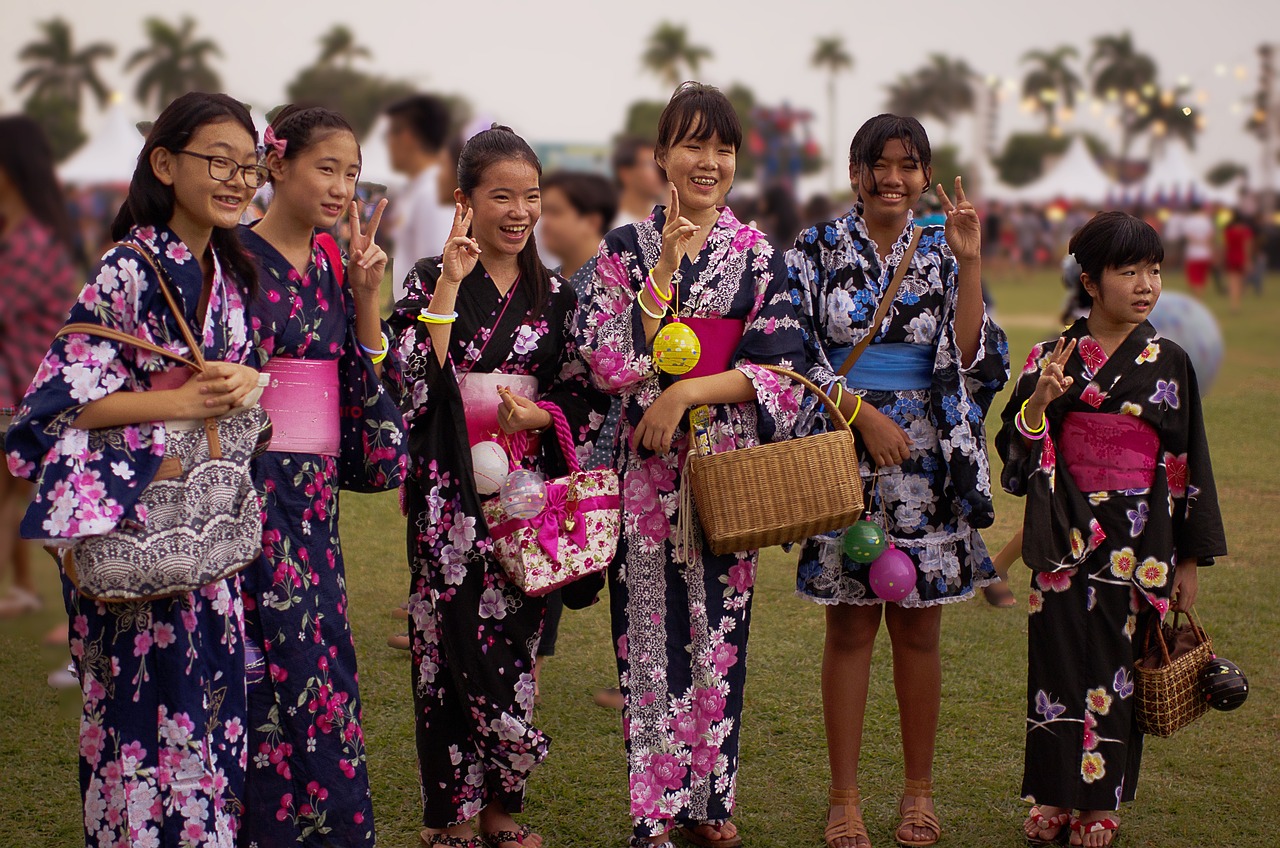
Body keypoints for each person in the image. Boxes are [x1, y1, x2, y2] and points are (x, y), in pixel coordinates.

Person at [4, 91, 266, 847]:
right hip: (138, 525)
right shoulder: (129, 268)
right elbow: (55, 405)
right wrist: (182, 397)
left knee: (210, 721)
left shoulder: (228, 266)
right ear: (163, 162)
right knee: (140, 732)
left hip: (203, 535)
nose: (236, 179)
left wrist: (241, 384)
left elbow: (242, 377)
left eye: (248, 167)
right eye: (218, 160)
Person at [576, 82, 809, 848]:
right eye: (692, 145)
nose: (708, 162)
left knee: (719, 634)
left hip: (724, 472)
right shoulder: (620, 249)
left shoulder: (758, 256)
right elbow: (604, 355)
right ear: (659, 157)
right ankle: (655, 810)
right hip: (644, 474)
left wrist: (686, 396)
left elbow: (779, 367)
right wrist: (662, 278)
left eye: (722, 148)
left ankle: (709, 802)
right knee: (646, 638)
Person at [785, 114, 1009, 848]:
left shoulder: (947, 248)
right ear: (854, 172)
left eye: (908, 165)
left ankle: (919, 794)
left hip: (930, 461)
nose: (892, 177)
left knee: (919, 633)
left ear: (924, 176)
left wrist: (971, 262)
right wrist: (858, 415)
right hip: (840, 455)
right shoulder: (815, 248)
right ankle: (843, 799)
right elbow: (790, 351)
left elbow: (976, 360)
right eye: (878, 164)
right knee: (848, 627)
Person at [387, 125, 608, 848]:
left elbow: (582, 395)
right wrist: (450, 282)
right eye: (501, 195)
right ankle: (447, 815)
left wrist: (539, 413)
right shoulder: (428, 277)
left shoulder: (560, 296)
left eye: (531, 196)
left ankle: (501, 808)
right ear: (465, 201)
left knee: (515, 650)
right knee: (442, 652)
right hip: (448, 492)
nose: (519, 211)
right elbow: (413, 378)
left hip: (525, 498)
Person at [997, 211, 1225, 848]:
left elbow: (1186, 464)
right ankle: (1052, 797)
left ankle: (1101, 802)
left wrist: (1187, 560)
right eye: (1129, 271)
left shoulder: (1170, 361)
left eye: (1154, 270)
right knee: (1056, 663)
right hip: (1065, 530)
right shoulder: (1051, 357)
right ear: (1091, 281)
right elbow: (1016, 450)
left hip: (1140, 538)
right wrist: (1040, 402)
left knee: (1117, 669)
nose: (1147, 283)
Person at [237, 104, 408, 847]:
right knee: (261, 674)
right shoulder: (231, 258)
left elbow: (359, 378)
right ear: (276, 164)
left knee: (322, 669)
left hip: (311, 510)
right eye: (326, 168)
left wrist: (367, 299)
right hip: (248, 492)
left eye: (353, 173)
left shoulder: (337, 263)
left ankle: (333, 829)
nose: (341, 187)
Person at [532, 169, 619, 697]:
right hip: (562, 439)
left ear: (589, 220)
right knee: (546, 547)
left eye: (555, 209)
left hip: (609, 448)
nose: (543, 220)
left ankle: (637, 678)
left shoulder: (606, 283)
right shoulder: (555, 283)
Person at [0, 115, 81, 618]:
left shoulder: (29, 242)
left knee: (48, 511)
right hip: (27, 393)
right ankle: (29, 590)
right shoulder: (25, 231)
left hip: (30, 397)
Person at [386, 94, 454, 300]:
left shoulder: (433, 192)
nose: (388, 144)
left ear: (407, 136)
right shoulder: (417, 190)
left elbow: (437, 268)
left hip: (424, 320)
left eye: (390, 134)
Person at [611, 135, 665, 228]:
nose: (660, 171)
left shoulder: (667, 218)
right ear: (625, 174)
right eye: (650, 165)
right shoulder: (610, 225)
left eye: (660, 164)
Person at [1179, 201, 1214, 298]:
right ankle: (1199, 297)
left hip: (1193, 254)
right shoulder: (1206, 220)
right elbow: (1210, 236)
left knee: (1194, 278)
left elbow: (1188, 236)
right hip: (1205, 253)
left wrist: (1198, 242)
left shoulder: (1188, 221)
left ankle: (1196, 297)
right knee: (1202, 278)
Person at [1222, 211, 1255, 311]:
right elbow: (1247, 246)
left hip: (1231, 256)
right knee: (1240, 282)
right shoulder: (1246, 231)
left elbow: (1225, 246)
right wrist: (1248, 260)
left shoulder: (1228, 232)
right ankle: (1237, 303)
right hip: (1242, 257)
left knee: (1232, 282)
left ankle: (1233, 305)